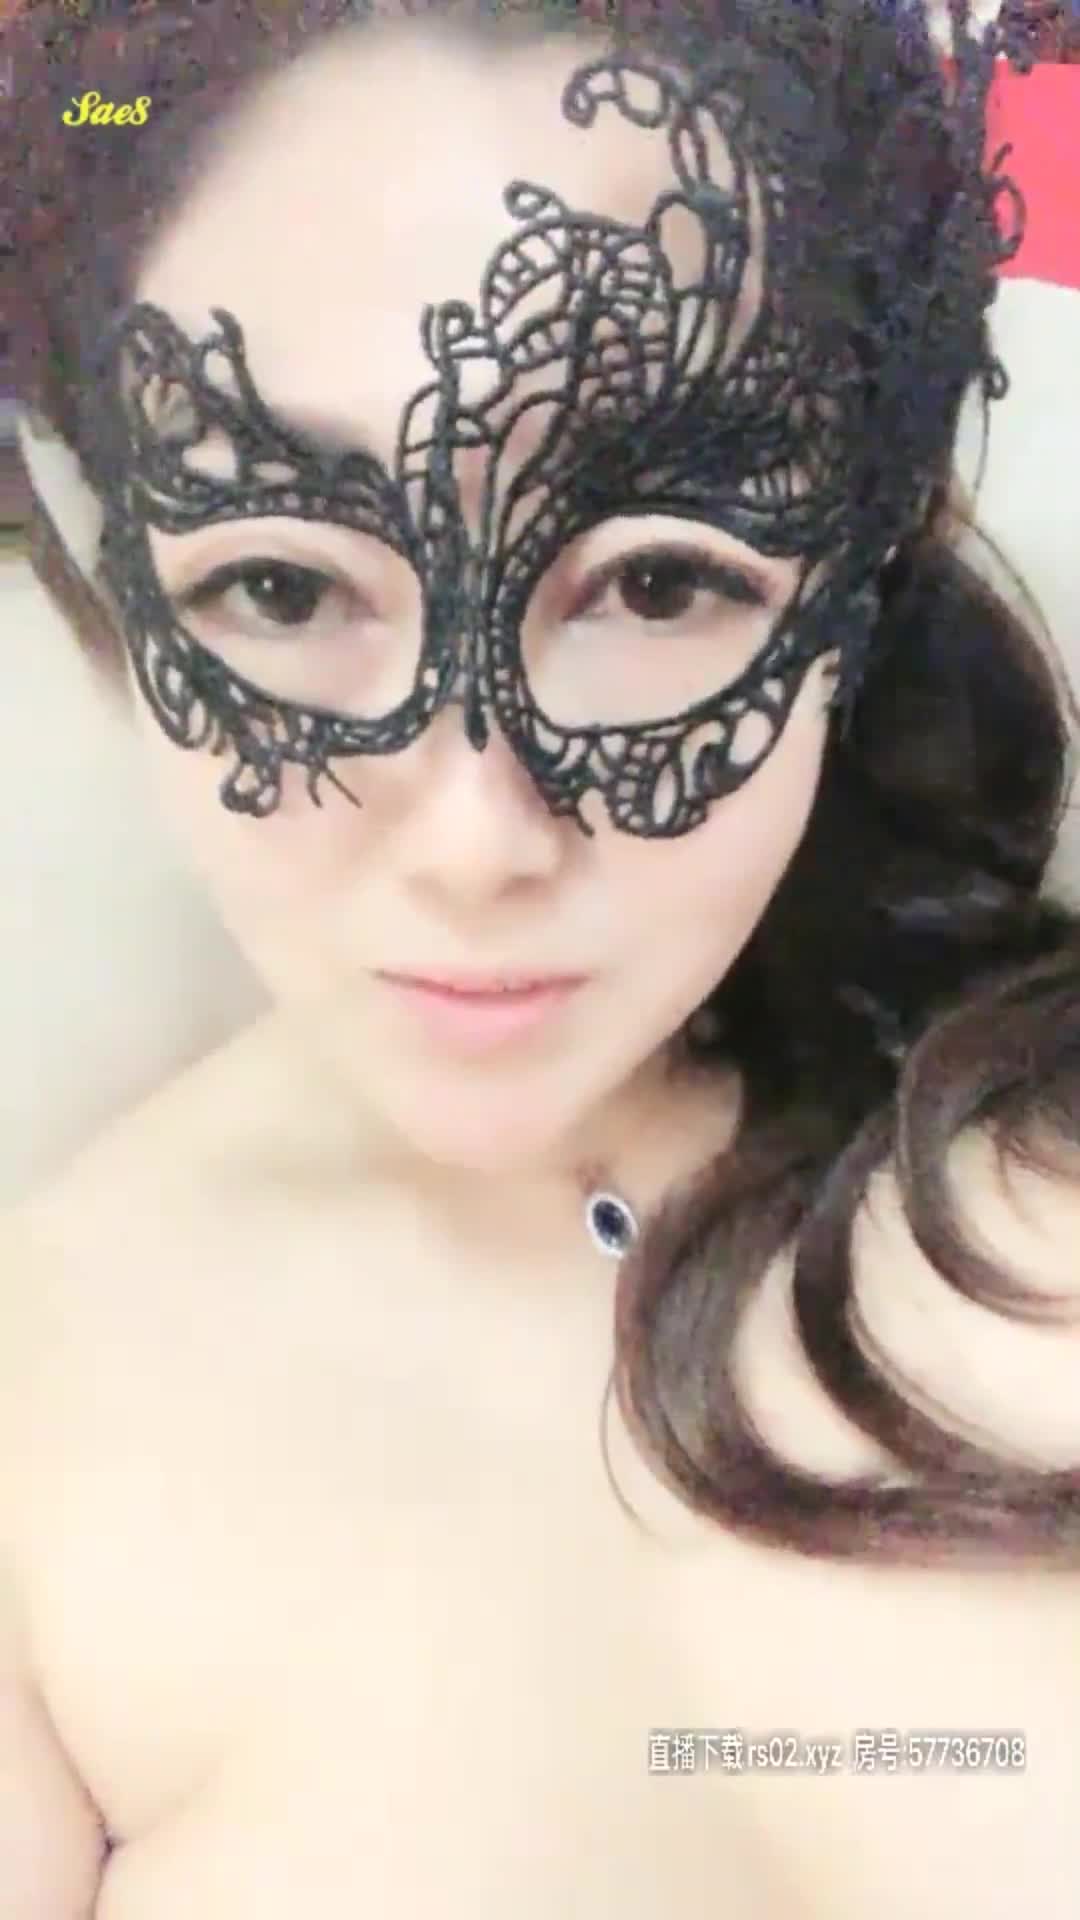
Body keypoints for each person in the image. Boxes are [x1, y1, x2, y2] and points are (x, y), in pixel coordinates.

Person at [2, 0, 1080, 1913]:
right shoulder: (42, 1410)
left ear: (859, 578)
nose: (479, 841)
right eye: (279, 582)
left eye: (659, 580)